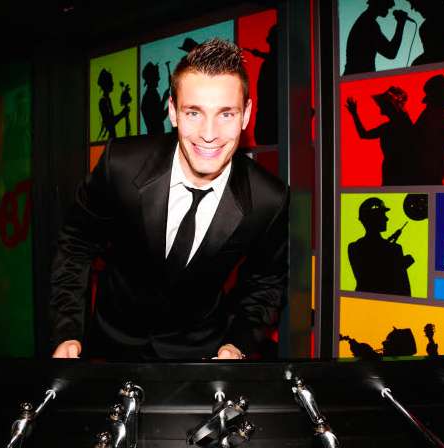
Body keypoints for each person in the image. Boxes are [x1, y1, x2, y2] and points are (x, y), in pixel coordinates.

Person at [50, 38, 289, 361]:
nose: (209, 134)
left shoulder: (268, 198)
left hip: (200, 353)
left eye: (226, 114)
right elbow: (76, 243)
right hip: (111, 344)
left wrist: (237, 344)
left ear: (246, 114)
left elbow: (266, 284)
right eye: (193, 112)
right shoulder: (120, 164)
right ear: (173, 111)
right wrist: (67, 330)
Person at [346, 86, 415, 185]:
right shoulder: (404, 123)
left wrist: (354, 114)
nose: (380, 107)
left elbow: (363, 134)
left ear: (390, 106)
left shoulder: (390, 127)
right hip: (401, 171)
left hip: (393, 171)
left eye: (383, 104)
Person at [348, 197, 414, 296]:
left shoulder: (354, 247)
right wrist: (400, 264)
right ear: (373, 218)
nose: (387, 218)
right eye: (382, 215)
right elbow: (404, 290)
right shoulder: (394, 249)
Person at [344, 0, 410, 75]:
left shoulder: (366, 21)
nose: (392, 5)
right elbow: (391, 52)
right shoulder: (368, 24)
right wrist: (400, 23)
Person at [97, 69, 130, 140]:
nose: (112, 83)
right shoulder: (103, 101)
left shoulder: (107, 100)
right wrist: (122, 114)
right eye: (110, 81)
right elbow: (109, 123)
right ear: (106, 84)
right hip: (106, 140)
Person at [140, 62, 169, 135]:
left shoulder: (150, 94)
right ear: (152, 78)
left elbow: (158, 111)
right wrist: (171, 105)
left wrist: (164, 99)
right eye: (157, 76)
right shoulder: (151, 95)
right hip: (156, 137)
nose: (159, 78)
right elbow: (160, 118)